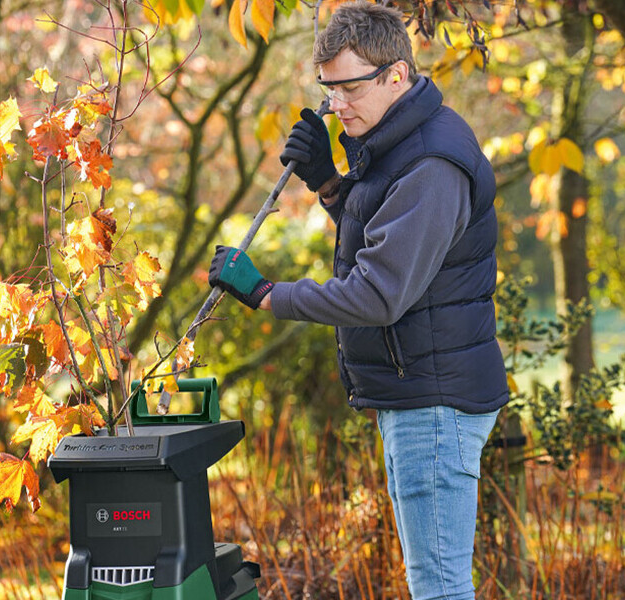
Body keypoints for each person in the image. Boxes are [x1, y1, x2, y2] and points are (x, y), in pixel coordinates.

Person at [209, 2, 509, 599]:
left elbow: (378, 292)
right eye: (328, 90)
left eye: (349, 88)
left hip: (436, 399)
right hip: (418, 394)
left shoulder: (430, 161)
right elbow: (383, 233)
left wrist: (268, 295)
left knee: (442, 588)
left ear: (396, 75)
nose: (336, 105)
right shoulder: (395, 142)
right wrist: (328, 182)